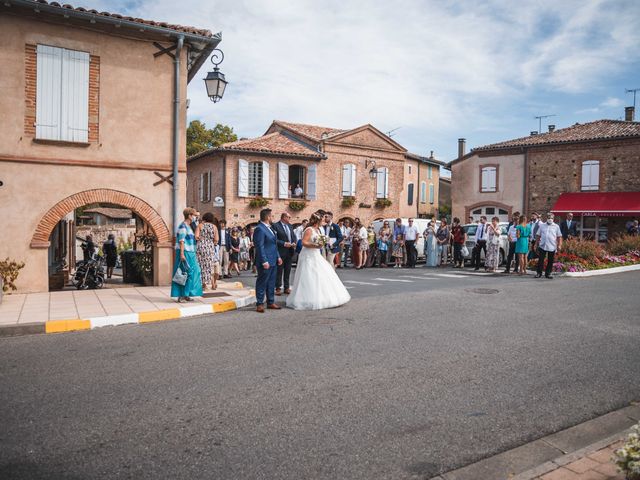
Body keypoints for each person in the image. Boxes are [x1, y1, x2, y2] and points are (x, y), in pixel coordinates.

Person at [286, 213, 351, 310]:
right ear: (317, 221)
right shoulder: (309, 230)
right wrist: (315, 245)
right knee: (309, 275)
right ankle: (307, 299)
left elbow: (320, 240)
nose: (323, 222)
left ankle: (324, 297)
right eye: (321, 220)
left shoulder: (318, 230)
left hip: (316, 254)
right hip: (308, 255)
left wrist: (322, 242)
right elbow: (304, 242)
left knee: (322, 274)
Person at [253, 208, 283, 313]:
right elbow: (259, 246)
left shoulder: (270, 228)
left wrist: (278, 257)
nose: (272, 218)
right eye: (271, 216)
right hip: (265, 260)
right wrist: (264, 260)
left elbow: (273, 244)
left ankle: (270, 302)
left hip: (273, 259)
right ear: (267, 217)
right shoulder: (259, 229)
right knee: (262, 282)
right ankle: (260, 303)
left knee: (271, 282)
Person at [171, 208, 202, 302]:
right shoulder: (183, 226)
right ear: (189, 216)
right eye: (194, 215)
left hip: (191, 252)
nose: (195, 217)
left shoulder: (189, 227)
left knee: (194, 272)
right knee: (184, 273)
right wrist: (181, 254)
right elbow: (181, 241)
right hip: (185, 252)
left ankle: (187, 293)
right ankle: (182, 295)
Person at [273, 212, 296, 295]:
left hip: (289, 251)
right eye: (289, 217)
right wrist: (284, 243)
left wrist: (294, 242)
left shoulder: (290, 226)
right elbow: (274, 239)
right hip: (280, 251)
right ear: (284, 217)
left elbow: (293, 236)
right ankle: (278, 287)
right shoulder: (275, 226)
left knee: (288, 270)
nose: (290, 219)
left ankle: (286, 287)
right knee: (279, 270)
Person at [195, 212, 219, 291]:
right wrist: (211, 243)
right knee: (208, 266)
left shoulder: (200, 226)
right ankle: (207, 283)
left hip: (200, 247)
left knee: (200, 265)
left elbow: (196, 237)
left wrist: (202, 240)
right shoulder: (214, 227)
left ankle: (203, 284)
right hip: (210, 248)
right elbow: (216, 240)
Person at [535, 213, 562, 279]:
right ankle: (539, 273)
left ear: (553, 219)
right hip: (542, 245)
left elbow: (559, 237)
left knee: (550, 260)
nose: (550, 219)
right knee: (540, 260)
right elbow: (538, 235)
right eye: (549, 218)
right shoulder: (542, 225)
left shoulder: (556, 226)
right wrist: (536, 244)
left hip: (552, 246)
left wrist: (559, 245)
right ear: (546, 218)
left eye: (551, 218)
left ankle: (548, 273)